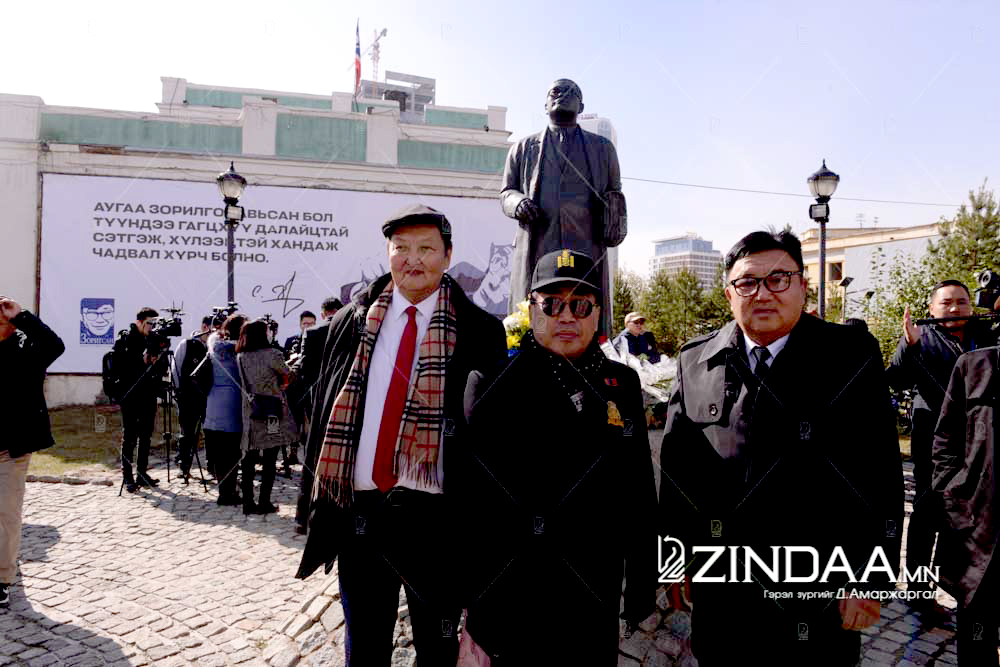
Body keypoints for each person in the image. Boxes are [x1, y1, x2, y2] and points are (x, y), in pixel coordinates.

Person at [658, 230, 902, 666]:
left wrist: (870, 578)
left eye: (778, 279)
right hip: (725, 592)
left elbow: (880, 474)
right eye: (747, 282)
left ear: (802, 286)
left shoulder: (848, 355)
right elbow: (679, 473)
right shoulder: (696, 360)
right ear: (729, 294)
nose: (763, 293)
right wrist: (675, 560)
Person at [295, 203, 506, 666]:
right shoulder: (352, 321)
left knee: (438, 649)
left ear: (447, 255)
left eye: (426, 248)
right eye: (401, 248)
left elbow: (489, 438)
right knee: (364, 648)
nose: (413, 259)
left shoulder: (479, 330)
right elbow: (325, 408)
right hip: (361, 515)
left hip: (437, 522)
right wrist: (312, 501)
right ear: (388, 253)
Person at [456, 249, 656, 664]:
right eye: (552, 304)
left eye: (580, 305)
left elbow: (638, 488)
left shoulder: (621, 384)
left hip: (594, 590)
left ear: (597, 314)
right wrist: (476, 604)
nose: (567, 316)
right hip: (517, 595)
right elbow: (473, 504)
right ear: (532, 310)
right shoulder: (493, 383)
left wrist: (641, 582)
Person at [886, 280, 995, 613]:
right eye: (946, 302)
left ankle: (959, 586)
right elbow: (897, 379)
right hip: (933, 440)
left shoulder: (985, 336)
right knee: (927, 515)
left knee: (965, 516)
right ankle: (919, 593)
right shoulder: (922, 336)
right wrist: (909, 344)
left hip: (977, 441)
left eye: (962, 301)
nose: (955, 308)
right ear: (932, 309)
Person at [500, 78, 626, 336]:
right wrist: (518, 202)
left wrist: (613, 222)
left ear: (582, 106)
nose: (562, 95)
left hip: (587, 242)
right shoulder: (522, 148)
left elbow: (616, 195)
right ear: (545, 105)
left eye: (571, 92)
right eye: (555, 91)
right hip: (539, 239)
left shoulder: (603, 149)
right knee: (536, 302)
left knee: (585, 301)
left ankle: (592, 344)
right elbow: (506, 193)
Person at [931, 346, 1000, 664]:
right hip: (978, 530)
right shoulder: (973, 366)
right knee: (976, 636)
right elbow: (945, 439)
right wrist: (953, 499)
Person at [0, 297, 65, 608]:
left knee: (6, 513)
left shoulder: (28, 348)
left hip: (10, 448)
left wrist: (22, 315)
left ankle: (2, 579)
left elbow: (55, 345)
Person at [237, 318, 296, 515]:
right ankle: (264, 502)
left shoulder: (241, 356)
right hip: (271, 412)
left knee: (249, 456)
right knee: (270, 456)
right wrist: (293, 365)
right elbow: (288, 375)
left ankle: (247, 502)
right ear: (263, 334)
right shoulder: (273, 353)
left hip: (251, 411)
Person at [112, 307, 167, 493]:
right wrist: (141, 360)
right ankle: (127, 476)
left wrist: (158, 359)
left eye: (154, 323)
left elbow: (161, 367)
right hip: (130, 394)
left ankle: (142, 474)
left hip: (148, 393)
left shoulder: (154, 339)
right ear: (139, 322)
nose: (152, 327)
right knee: (130, 436)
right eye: (149, 323)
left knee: (146, 435)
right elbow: (120, 367)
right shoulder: (126, 338)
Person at [203, 313, 247, 506]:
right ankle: (229, 493)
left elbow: (213, 337)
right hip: (232, 406)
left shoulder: (214, 342)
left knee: (220, 453)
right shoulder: (240, 351)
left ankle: (224, 492)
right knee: (232, 452)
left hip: (213, 404)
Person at [171, 316, 212, 480]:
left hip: (208, 398)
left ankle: (211, 466)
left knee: (210, 432)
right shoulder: (187, 344)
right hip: (188, 397)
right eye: (213, 328)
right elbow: (175, 369)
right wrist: (178, 392)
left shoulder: (213, 347)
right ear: (204, 327)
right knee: (187, 433)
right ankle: (184, 466)